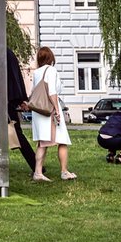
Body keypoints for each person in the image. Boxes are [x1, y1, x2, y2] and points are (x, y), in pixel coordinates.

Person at [31, 46, 74, 182]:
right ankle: (63, 171)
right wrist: (57, 109)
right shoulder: (51, 70)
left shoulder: (37, 72)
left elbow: (34, 92)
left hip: (39, 110)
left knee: (42, 142)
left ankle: (39, 171)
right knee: (61, 140)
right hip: (49, 109)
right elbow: (52, 92)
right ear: (51, 58)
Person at [6, 48, 37, 172]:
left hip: (6, 102)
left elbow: (10, 79)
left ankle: (36, 165)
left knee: (17, 134)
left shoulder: (4, 53)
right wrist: (20, 99)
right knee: (17, 134)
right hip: (9, 100)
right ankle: (36, 165)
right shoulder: (8, 53)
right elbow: (15, 78)